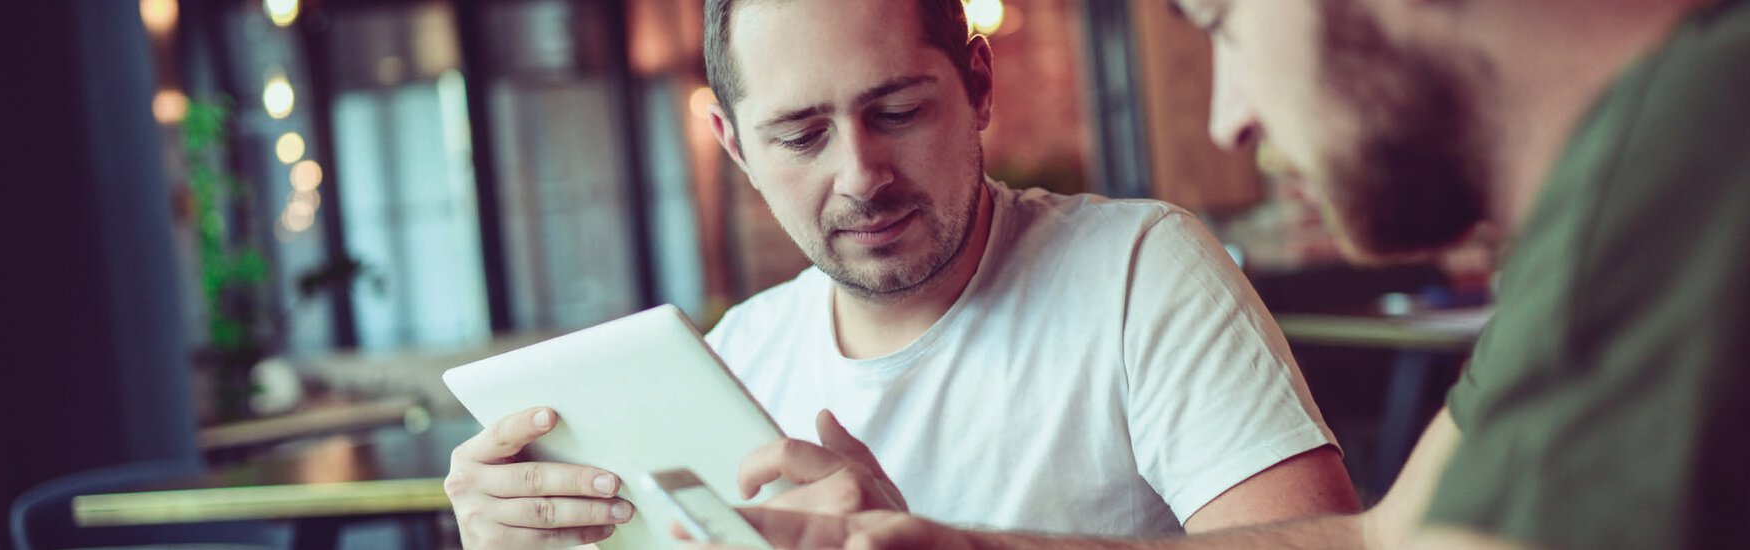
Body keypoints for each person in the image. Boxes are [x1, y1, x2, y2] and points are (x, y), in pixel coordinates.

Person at [716, 0, 1750, 548]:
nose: (1227, 116)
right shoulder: (1647, 181)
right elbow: (1377, 549)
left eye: (1218, 22)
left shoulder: (1730, 128)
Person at [442, 0, 1363, 547]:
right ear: (734, 148)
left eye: (898, 110)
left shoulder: (1138, 273)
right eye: (801, 136)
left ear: (978, 87)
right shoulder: (728, 363)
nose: (859, 176)